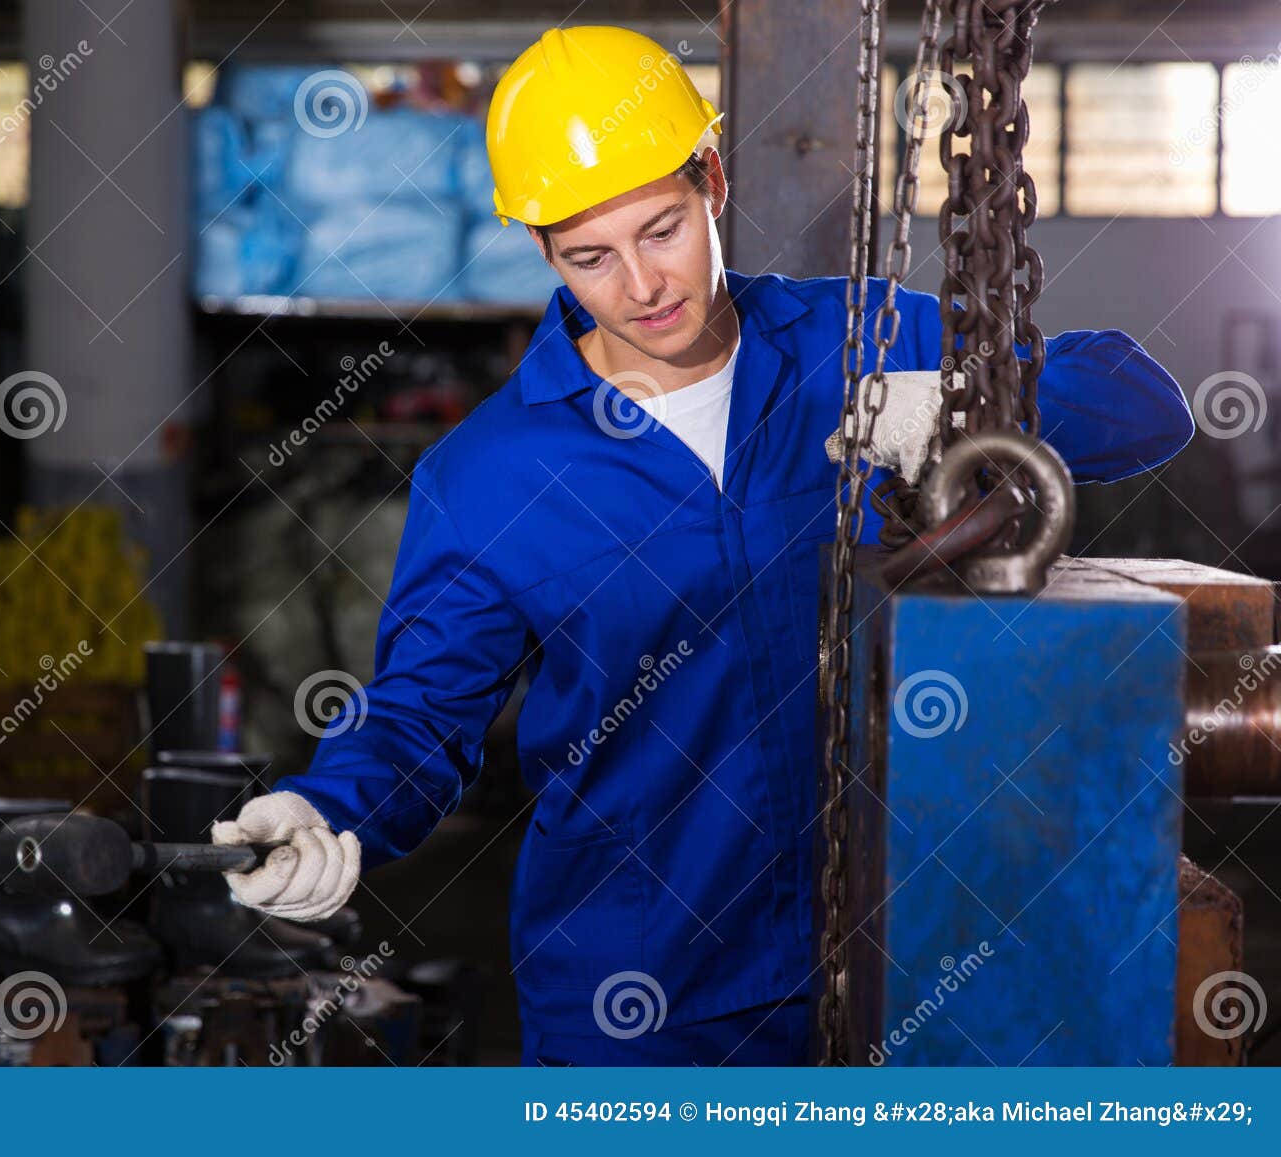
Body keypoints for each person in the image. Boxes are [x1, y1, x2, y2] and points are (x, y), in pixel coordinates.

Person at [210, 25, 1197, 1065]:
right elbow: (419, 716)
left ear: (713, 181)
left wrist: (957, 404)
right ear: (542, 251)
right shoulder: (490, 475)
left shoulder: (856, 344)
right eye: (591, 257)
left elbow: (1146, 405)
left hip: (900, 948)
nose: (641, 284)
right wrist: (323, 808)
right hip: (641, 995)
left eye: (662, 229)